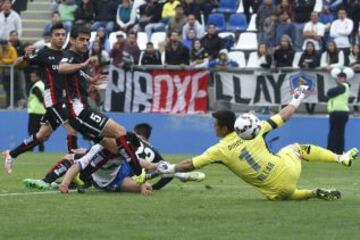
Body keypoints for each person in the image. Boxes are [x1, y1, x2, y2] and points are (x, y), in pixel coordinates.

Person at [157, 86, 359, 201]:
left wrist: (171, 167)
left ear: (225, 129)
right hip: (287, 171)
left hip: (275, 192)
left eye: (215, 125)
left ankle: (313, 192)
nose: (213, 128)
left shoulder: (218, 151)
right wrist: (297, 99)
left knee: (284, 192)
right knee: (294, 148)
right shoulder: (256, 129)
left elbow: (190, 164)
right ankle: (340, 159)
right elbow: (283, 116)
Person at [55, 26, 143, 190]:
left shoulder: (77, 58)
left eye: (87, 40)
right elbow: (61, 68)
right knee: (121, 132)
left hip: (79, 111)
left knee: (111, 146)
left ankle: (85, 177)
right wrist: (83, 64)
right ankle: (138, 171)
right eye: (81, 39)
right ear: (72, 40)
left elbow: (77, 74)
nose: (85, 43)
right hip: (79, 111)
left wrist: (91, 80)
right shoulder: (69, 56)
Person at [23, 123, 205, 192]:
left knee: (149, 176)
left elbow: (142, 162)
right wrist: (64, 183)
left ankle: (178, 173)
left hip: (118, 174)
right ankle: (51, 181)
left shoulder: (125, 152)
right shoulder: (98, 149)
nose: (129, 150)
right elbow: (77, 166)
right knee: (74, 159)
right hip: (103, 180)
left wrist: (154, 168)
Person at [2, 23, 78, 174]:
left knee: (42, 135)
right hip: (53, 99)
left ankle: (11, 154)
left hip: (64, 100)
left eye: (63, 35)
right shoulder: (43, 53)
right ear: (51, 37)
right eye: (57, 35)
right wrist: (24, 56)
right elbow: (16, 65)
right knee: (72, 130)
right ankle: (74, 172)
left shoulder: (67, 55)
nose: (61, 37)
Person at [326, 67, 353, 154]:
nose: (337, 79)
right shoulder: (344, 87)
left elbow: (329, 92)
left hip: (339, 113)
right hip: (340, 113)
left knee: (334, 133)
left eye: (339, 78)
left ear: (344, 79)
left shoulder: (343, 86)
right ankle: (338, 151)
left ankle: (332, 151)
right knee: (338, 133)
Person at [27, 66, 45, 152]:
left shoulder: (36, 86)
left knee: (32, 132)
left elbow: (41, 99)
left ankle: (31, 149)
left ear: (37, 77)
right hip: (42, 112)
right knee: (40, 133)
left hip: (35, 112)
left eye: (33, 76)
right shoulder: (43, 84)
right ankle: (41, 149)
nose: (31, 78)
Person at [0, 39, 17, 108]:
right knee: (5, 88)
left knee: (10, 88)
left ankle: (12, 104)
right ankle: (7, 104)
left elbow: (14, 59)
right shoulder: (1, 50)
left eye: (5, 44)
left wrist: (4, 61)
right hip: (2, 72)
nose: (4, 46)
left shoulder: (11, 49)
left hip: (11, 71)